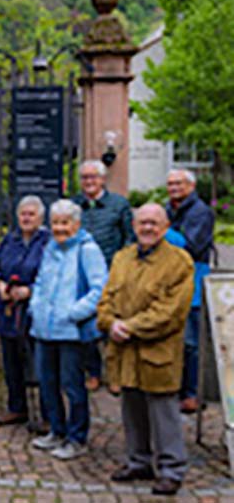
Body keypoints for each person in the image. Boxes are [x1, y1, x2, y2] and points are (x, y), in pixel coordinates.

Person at [97, 203, 194, 496]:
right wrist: (110, 322)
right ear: (134, 226)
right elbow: (106, 298)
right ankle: (138, 460)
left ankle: (171, 468)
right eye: (142, 223)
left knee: (163, 411)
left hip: (157, 350)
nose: (147, 228)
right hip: (125, 350)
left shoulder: (179, 261)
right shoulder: (122, 257)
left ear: (165, 227)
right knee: (132, 408)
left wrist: (130, 327)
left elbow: (171, 312)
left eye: (154, 223)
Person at [28, 199, 107, 460]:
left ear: (76, 224)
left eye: (64, 223)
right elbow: (40, 281)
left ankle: (77, 437)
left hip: (71, 331)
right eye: (55, 223)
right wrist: (36, 307)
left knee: (72, 386)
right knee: (47, 383)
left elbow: (99, 289)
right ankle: (56, 430)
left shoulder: (88, 250)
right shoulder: (51, 247)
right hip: (44, 329)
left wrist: (73, 313)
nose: (59, 228)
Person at [0, 195, 50, 426]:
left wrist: (30, 291)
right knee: (11, 363)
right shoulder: (9, 240)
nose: (26, 218)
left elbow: (52, 276)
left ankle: (48, 415)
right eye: (23, 213)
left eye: (31, 214)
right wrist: (0, 284)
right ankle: (17, 407)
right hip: (7, 312)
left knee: (41, 365)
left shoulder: (48, 242)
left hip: (34, 313)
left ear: (41, 217)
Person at [72, 160, 134, 392]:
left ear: (102, 179)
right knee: (87, 329)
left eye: (93, 177)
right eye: (85, 178)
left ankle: (115, 375)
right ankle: (94, 373)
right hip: (82, 276)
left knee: (112, 327)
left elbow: (130, 238)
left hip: (112, 275)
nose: (89, 182)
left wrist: (122, 268)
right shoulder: (74, 205)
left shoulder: (119, 205)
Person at [165, 169, 214, 413]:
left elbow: (192, 246)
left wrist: (163, 231)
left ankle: (192, 392)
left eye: (178, 183)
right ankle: (175, 388)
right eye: (170, 184)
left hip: (192, 282)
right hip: (169, 281)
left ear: (191, 186)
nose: (173, 188)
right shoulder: (168, 209)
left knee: (191, 342)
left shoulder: (200, 212)